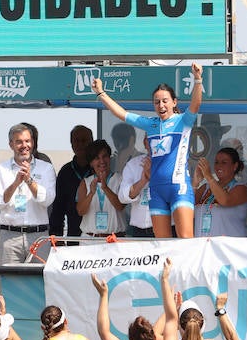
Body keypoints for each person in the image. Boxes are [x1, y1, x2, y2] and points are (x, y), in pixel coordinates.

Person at [92, 62, 204, 238]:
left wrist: (197, 80)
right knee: (162, 245)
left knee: (185, 242)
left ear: (174, 102)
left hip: (179, 187)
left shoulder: (183, 121)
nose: (161, 105)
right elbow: (122, 113)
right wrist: (101, 93)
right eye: (157, 102)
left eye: (165, 101)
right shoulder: (150, 124)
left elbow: (196, 104)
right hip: (156, 190)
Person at [0, 122, 56, 264]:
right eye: (19, 142)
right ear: (11, 145)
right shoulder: (0, 169)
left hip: (39, 236)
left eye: (27, 141)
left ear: (33, 143)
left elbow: (48, 200)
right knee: (10, 282)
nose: (24, 146)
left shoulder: (46, 168)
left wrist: (29, 180)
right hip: (10, 237)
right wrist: (15, 183)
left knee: (38, 283)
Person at [194, 146, 247, 238]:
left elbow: (225, 201)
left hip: (229, 248)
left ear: (235, 166)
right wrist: (195, 183)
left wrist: (209, 176)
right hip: (204, 247)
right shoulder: (205, 188)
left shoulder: (240, 188)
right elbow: (187, 208)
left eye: (224, 162)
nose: (218, 166)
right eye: (216, 162)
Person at [75, 139, 127, 238]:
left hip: (115, 239)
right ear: (91, 163)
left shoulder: (120, 179)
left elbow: (120, 206)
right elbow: (80, 211)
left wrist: (105, 188)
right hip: (90, 239)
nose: (102, 161)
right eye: (97, 158)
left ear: (110, 158)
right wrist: (91, 194)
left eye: (105, 156)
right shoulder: (85, 182)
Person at [51, 124, 95, 239]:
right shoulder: (65, 172)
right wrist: (57, 237)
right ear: (71, 144)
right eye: (77, 141)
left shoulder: (99, 169)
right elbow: (58, 208)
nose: (81, 144)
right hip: (73, 234)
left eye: (84, 140)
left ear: (92, 142)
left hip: (97, 233)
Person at [118, 152, 156, 238]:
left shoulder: (171, 161)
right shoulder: (133, 164)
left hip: (166, 227)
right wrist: (143, 181)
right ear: (145, 142)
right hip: (140, 231)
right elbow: (122, 197)